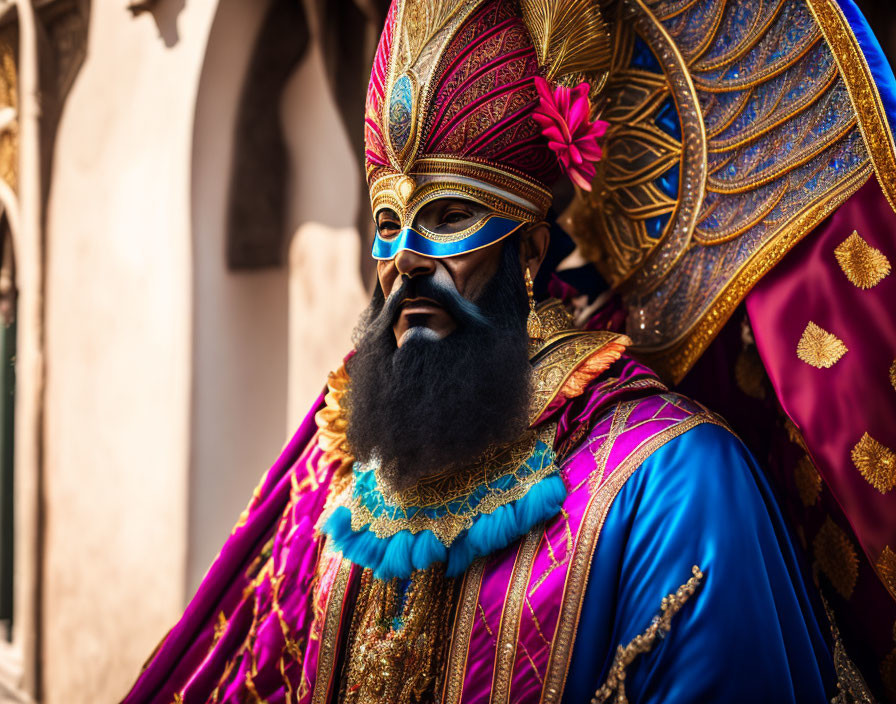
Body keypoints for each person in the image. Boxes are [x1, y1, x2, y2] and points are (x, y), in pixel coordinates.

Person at [122, 0, 890, 702]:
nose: (407, 263)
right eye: (388, 222)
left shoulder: (673, 484)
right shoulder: (343, 465)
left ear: (530, 248)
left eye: (449, 213)